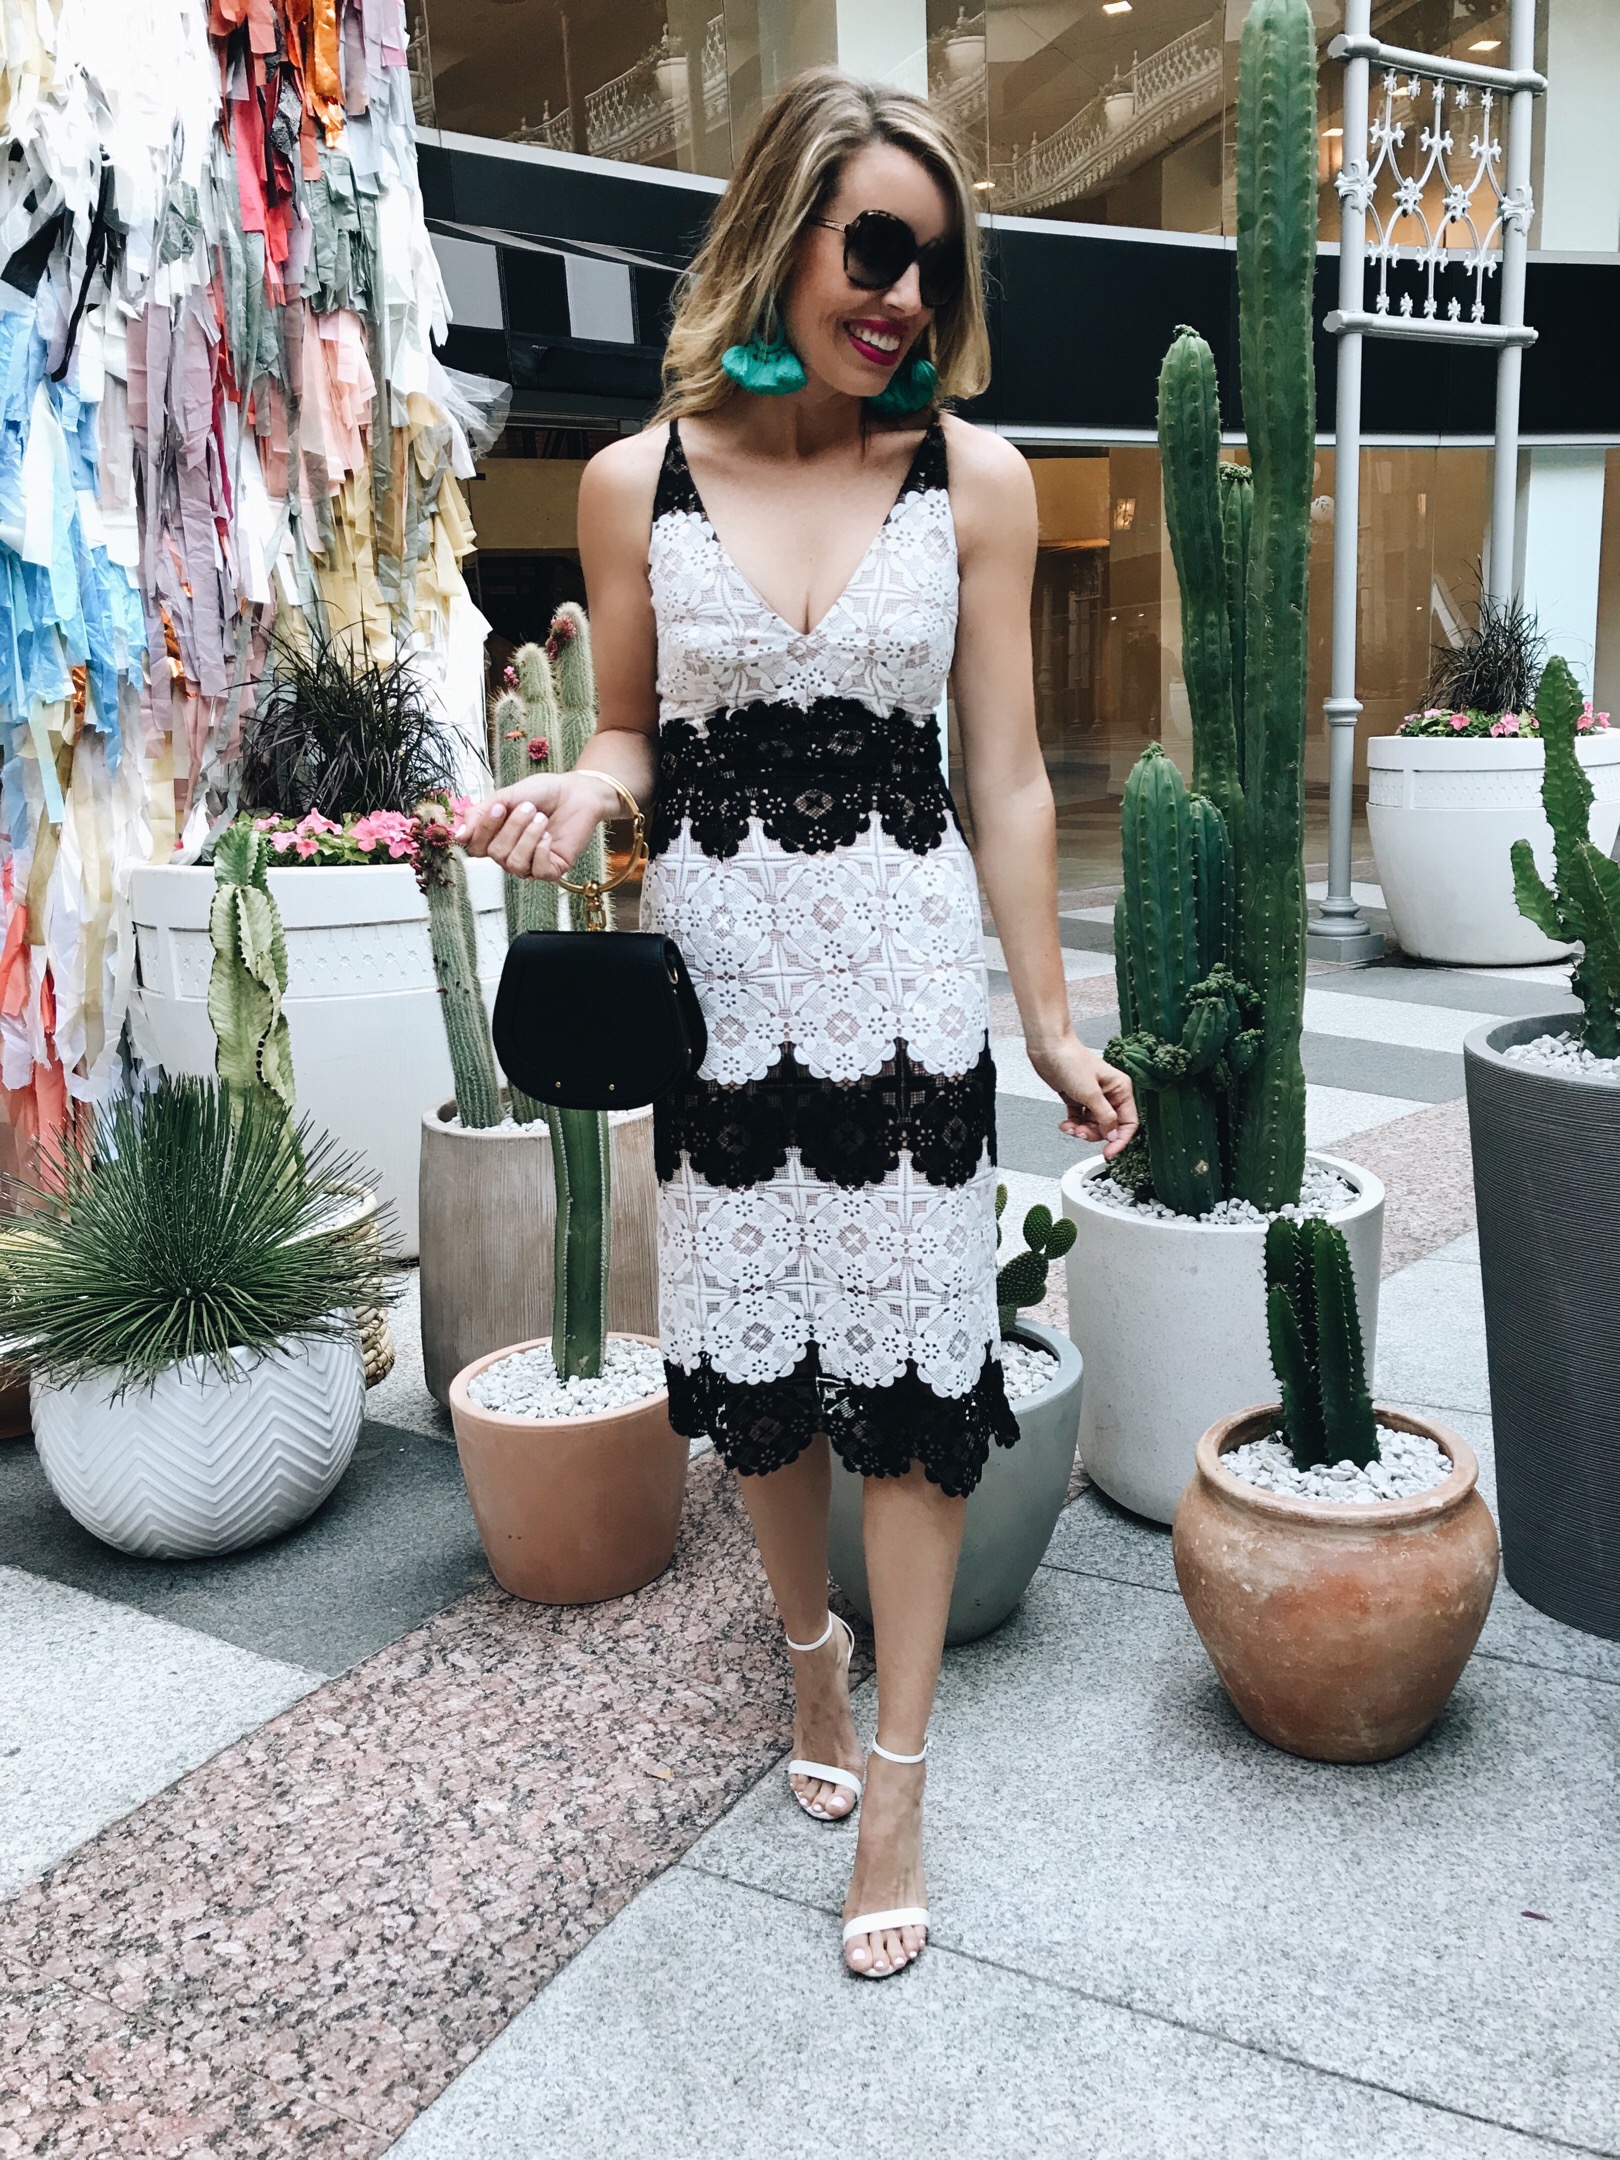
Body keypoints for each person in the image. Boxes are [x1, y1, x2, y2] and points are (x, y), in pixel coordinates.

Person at [459, 67, 1137, 1980]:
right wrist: (585, 790)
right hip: (729, 993)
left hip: (907, 984)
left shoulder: (975, 479)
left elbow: (1008, 779)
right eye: (874, 248)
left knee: (917, 1389)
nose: (904, 297)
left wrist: (1048, 1023)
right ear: (780, 232)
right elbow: (629, 731)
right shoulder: (636, 482)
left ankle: (899, 1775)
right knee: (758, 1368)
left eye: (933, 266)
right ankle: (805, 1657)